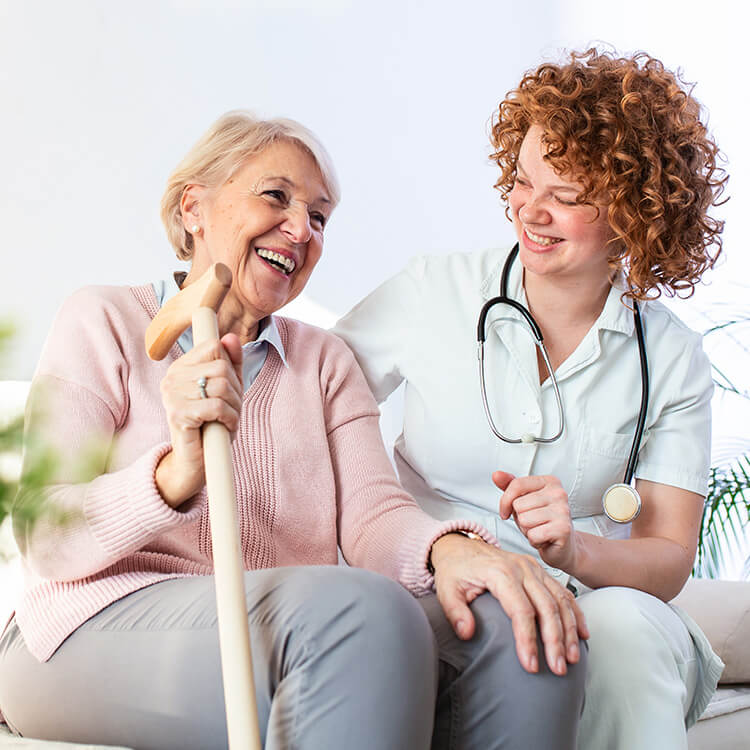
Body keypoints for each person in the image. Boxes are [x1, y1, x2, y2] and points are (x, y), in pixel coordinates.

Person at [0, 111, 586, 750]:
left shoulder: (324, 361)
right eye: (276, 195)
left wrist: (453, 550)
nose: (301, 229)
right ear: (194, 208)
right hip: (86, 629)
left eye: (320, 217)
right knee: (361, 613)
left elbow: (374, 518)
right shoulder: (103, 320)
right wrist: (174, 473)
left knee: (517, 622)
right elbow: (44, 536)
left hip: (285, 619)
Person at [334, 48, 727, 749]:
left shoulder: (670, 357)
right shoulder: (434, 293)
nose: (531, 212)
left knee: (625, 633)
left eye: (567, 197)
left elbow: (667, 553)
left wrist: (575, 550)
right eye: (521, 181)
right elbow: (312, 395)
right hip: (438, 578)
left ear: (636, 213)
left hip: (594, 600)